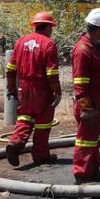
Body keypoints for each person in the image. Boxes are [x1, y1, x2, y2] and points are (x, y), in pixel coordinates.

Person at [5, 11, 62, 167]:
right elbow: (52, 73)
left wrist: (11, 88)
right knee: (43, 122)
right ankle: (41, 155)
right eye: (51, 28)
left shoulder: (21, 42)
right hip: (42, 90)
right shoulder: (49, 44)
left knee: (25, 118)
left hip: (23, 88)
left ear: (35, 25)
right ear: (48, 27)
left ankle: (15, 143)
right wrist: (57, 92)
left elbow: (10, 69)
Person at [72, 7, 100, 184]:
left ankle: (93, 170)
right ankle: (82, 174)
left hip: (98, 102)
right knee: (86, 140)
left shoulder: (93, 47)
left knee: (96, 138)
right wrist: (87, 108)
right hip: (89, 104)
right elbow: (80, 84)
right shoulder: (83, 50)